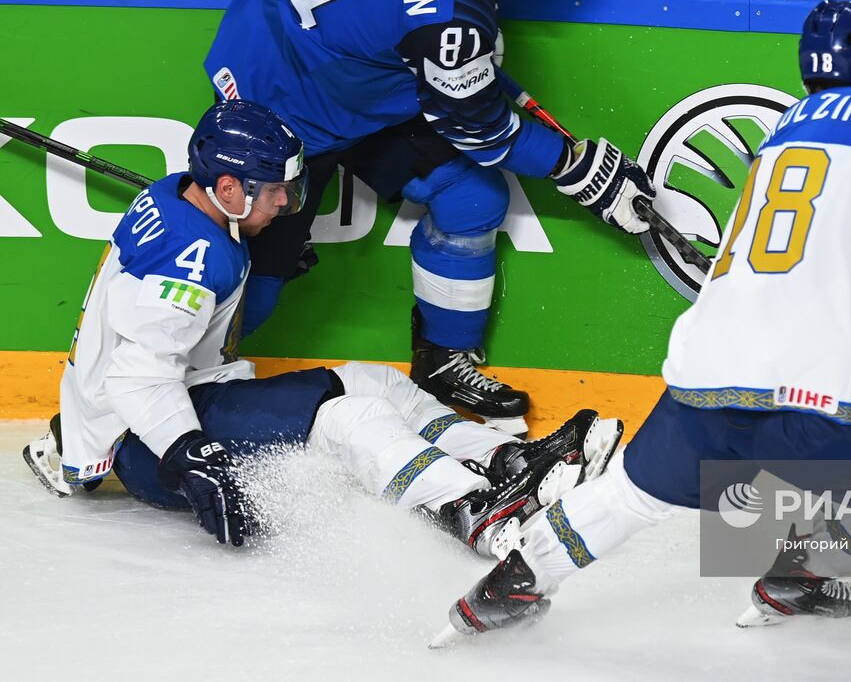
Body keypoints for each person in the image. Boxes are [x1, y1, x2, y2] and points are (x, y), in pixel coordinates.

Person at [436, 0, 851, 638]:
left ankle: (508, 587)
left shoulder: (784, 136)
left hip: (705, 387)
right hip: (826, 404)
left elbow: (840, 292)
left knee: (627, 495)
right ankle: (809, 568)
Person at [21, 100, 623, 556]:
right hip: (147, 440)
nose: (285, 203)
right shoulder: (191, 261)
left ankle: (509, 462)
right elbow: (137, 377)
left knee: (375, 383)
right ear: (227, 188)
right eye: (275, 192)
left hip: (177, 397)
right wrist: (192, 457)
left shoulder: (178, 198)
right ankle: (477, 513)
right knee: (349, 420)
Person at [202, 0, 655, 436]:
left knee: (473, 200)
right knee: (244, 290)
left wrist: (446, 56)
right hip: (282, 105)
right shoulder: (445, 16)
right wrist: (578, 170)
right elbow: (487, 134)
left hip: (340, 65)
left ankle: (442, 360)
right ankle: (134, 401)